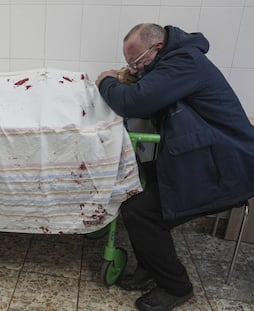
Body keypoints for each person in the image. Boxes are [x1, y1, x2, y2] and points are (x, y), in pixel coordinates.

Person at [96, 23, 254, 311]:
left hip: (227, 168)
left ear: (156, 47)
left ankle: (176, 287)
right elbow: (147, 99)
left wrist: (106, 81)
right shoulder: (173, 61)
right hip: (207, 157)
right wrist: (133, 78)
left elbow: (134, 102)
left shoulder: (185, 62)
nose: (134, 69)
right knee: (135, 186)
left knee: (141, 211)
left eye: (138, 62)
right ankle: (150, 268)